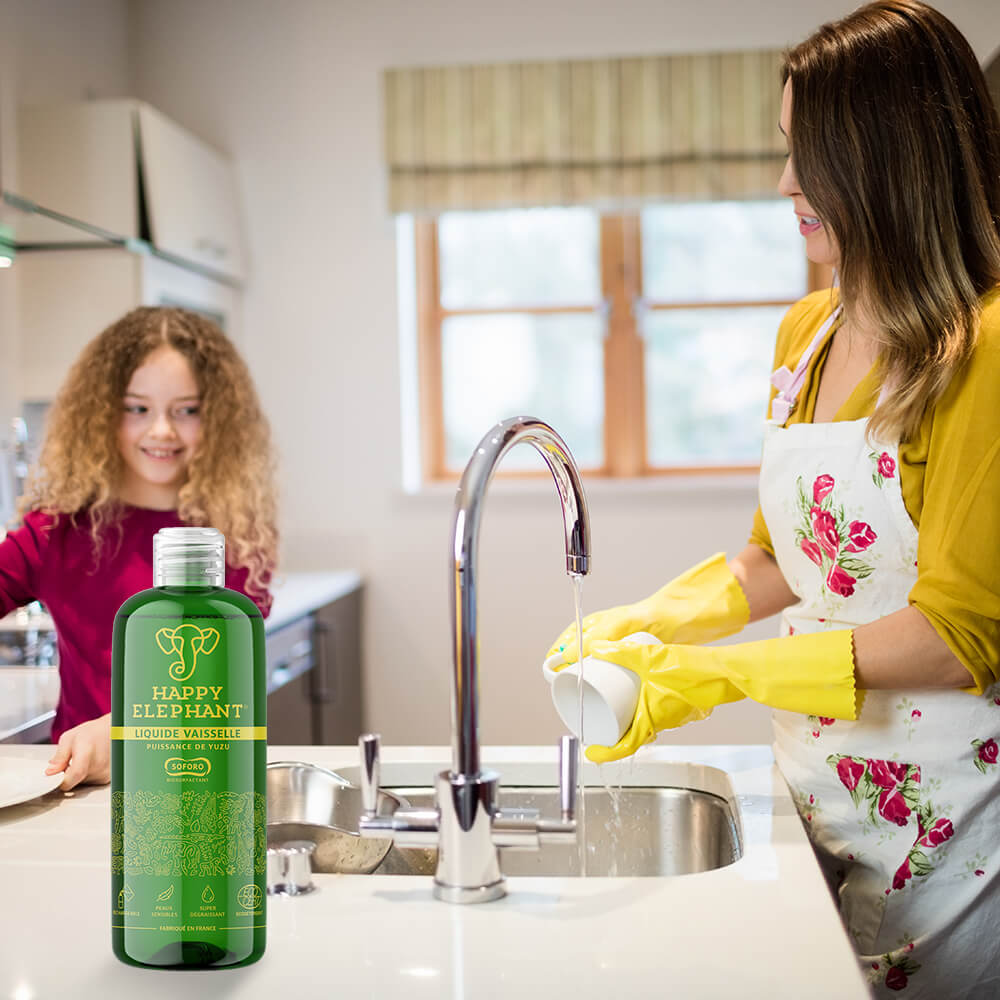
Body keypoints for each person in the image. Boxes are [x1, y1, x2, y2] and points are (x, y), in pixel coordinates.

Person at [545, 2, 1000, 996]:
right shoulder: (806, 331)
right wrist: (653, 621)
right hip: (815, 793)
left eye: (809, 153)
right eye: (786, 147)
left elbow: (956, 636)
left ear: (888, 158)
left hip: (949, 829)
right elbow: (776, 556)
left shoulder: (986, 347)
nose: (785, 181)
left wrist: (720, 674)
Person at [0, 307, 278, 792]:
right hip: (76, 787)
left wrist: (123, 732)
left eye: (186, 410)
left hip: (201, 780)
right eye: (138, 408)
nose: (162, 430)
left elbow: (215, 686)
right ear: (102, 413)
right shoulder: (56, 531)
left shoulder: (232, 537)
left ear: (218, 419)